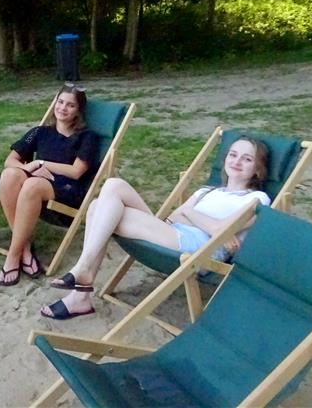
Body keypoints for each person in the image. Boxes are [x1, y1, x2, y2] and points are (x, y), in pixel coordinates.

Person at [41, 136, 270, 319]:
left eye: (247, 159)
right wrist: (208, 223)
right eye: (233, 154)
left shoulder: (258, 199)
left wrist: (192, 214)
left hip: (199, 250)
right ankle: (82, 278)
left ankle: (81, 285)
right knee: (111, 188)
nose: (237, 161)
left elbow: (221, 229)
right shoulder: (207, 191)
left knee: (99, 209)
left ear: (258, 170)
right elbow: (176, 216)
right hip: (173, 232)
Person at [0, 83, 98, 286]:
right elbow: (10, 161)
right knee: (9, 175)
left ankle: (12, 257)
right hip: (36, 182)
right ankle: (25, 250)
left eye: (70, 105)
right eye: (60, 102)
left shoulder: (88, 137)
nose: (63, 108)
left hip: (67, 190)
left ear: (78, 111)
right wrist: (28, 167)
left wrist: (41, 163)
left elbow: (76, 171)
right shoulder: (39, 132)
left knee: (32, 185)